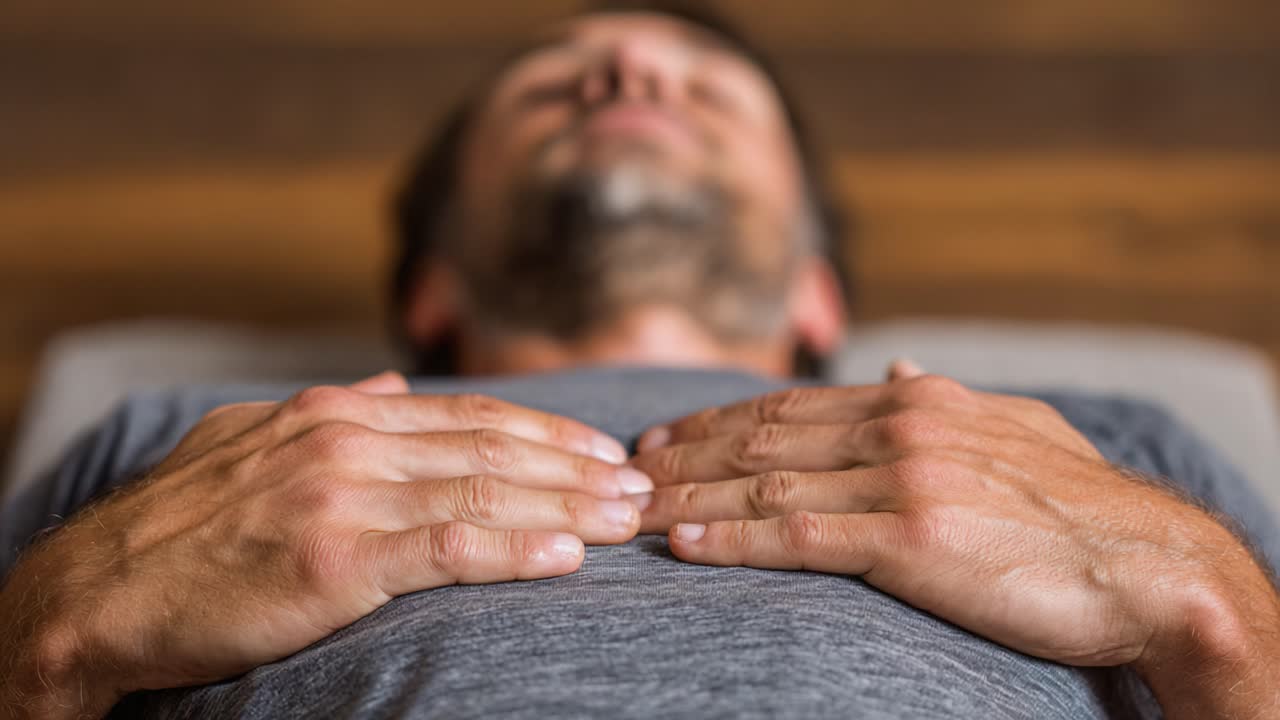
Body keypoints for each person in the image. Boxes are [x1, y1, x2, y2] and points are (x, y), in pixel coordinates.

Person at [2, 2, 1278, 718]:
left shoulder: (1104, 437)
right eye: (554, 81)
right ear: (431, 288)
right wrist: (46, 639)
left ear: (813, 291)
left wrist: (1213, 617)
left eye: (706, 85)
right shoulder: (187, 438)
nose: (626, 62)